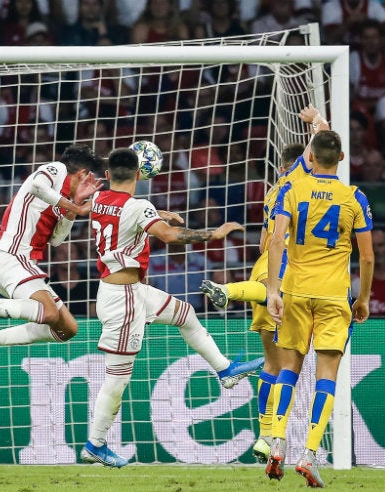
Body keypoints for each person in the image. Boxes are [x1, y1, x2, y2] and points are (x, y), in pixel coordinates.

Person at [80, 147, 264, 468]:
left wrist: (156, 214)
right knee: (117, 379)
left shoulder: (99, 199)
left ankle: (225, 370)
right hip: (124, 301)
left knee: (186, 315)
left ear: (108, 176)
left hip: (131, 290)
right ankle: (95, 444)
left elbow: (114, 214)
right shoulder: (139, 206)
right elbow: (168, 236)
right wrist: (213, 233)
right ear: (140, 174)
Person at [201, 104, 329, 463]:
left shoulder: (273, 191)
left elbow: (261, 241)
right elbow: (322, 143)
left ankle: (265, 438)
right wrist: (316, 120)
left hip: (263, 263)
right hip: (289, 264)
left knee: (271, 365)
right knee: (286, 366)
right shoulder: (297, 180)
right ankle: (229, 291)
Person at [265, 130, 374, 488]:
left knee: (288, 369)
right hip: (333, 296)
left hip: (295, 291)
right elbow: (368, 256)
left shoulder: (291, 190)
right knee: (326, 375)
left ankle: (277, 441)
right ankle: (309, 454)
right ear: (342, 159)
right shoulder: (353, 197)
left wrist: (273, 289)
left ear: (310, 157)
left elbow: (277, 240)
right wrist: (363, 299)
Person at [0, 144, 103, 375]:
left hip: (21, 264)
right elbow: (37, 186)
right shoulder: (55, 169)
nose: (91, 183)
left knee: (66, 329)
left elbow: (57, 240)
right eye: (90, 177)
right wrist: (73, 206)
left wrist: (73, 206)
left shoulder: (62, 198)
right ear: (82, 174)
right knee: (48, 313)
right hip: (11, 256)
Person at [352, 229, 385, 315]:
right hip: (363, 328)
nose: (376, 250)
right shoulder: (354, 281)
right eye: (371, 246)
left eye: (380, 245)